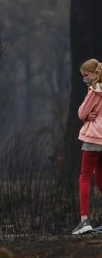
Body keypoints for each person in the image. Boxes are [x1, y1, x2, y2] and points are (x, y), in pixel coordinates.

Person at [72, 58, 102, 235]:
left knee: (85, 177)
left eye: (86, 75)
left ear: (94, 73)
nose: (84, 79)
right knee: (100, 180)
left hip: (93, 138)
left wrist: (88, 116)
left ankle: (84, 221)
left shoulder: (94, 90)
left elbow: (81, 112)